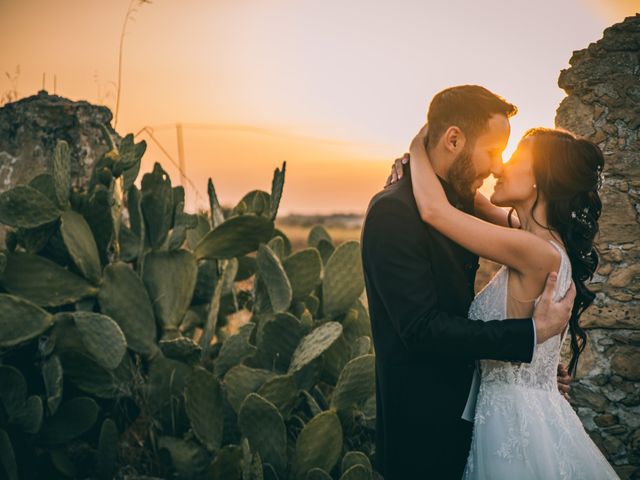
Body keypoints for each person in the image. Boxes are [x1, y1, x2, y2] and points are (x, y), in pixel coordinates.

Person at [360, 85, 576, 480]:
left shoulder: (458, 201)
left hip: (481, 423)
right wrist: (527, 337)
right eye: (493, 152)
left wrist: (538, 368)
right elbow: (421, 329)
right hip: (424, 430)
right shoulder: (394, 213)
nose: (498, 167)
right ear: (454, 139)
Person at [386, 119, 619, 478]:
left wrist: (420, 144)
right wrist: (426, 164)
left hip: (512, 421)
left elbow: (435, 212)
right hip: (516, 408)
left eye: (515, 159)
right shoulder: (533, 237)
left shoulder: (533, 249)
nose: (500, 166)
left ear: (540, 178)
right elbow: (473, 200)